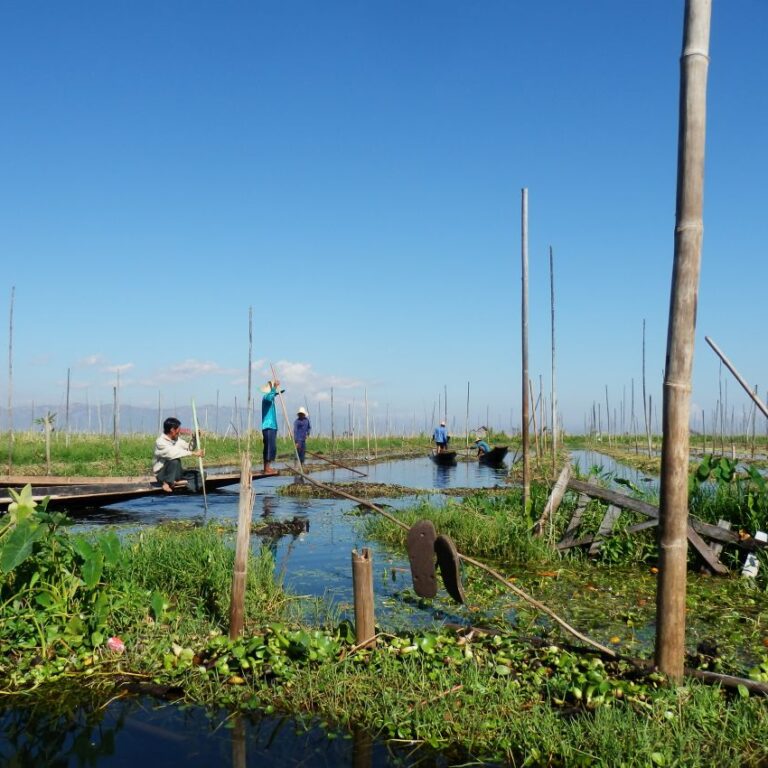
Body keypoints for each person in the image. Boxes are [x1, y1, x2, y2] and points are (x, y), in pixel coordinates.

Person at [152, 417, 205, 493]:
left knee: (200, 475)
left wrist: (195, 438)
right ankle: (166, 483)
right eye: (178, 430)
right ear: (172, 430)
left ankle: (180, 483)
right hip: (162, 475)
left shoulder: (176, 440)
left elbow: (189, 448)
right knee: (174, 461)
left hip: (176, 473)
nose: (179, 432)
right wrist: (194, 453)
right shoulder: (160, 442)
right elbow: (172, 453)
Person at [260, 379, 283, 474]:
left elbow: (273, 395)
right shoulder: (266, 397)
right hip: (268, 426)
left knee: (272, 447)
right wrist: (274, 388)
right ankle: (266, 468)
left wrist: (277, 391)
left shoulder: (271, 398)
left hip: (273, 426)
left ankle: (268, 467)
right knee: (269, 447)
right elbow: (270, 397)